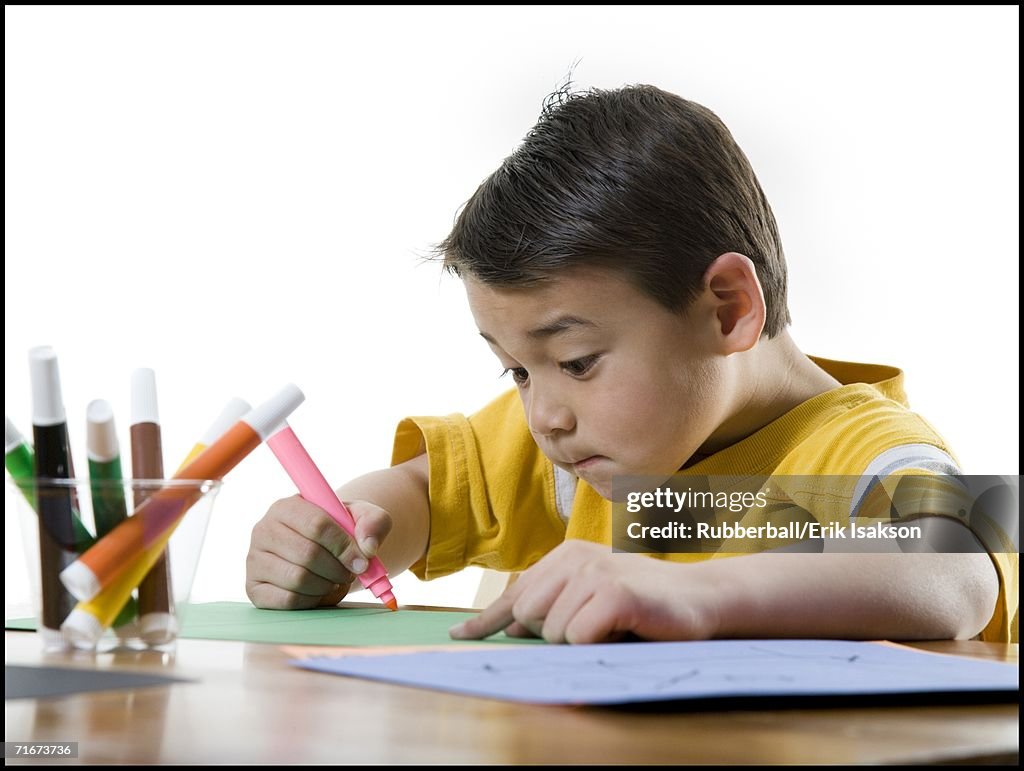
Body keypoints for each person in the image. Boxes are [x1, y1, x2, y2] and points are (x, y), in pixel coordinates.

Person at [245, 83, 1016, 644]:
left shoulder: (860, 449)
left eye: (576, 360)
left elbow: (958, 572)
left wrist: (696, 590)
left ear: (727, 308)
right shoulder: (593, 446)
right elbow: (421, 493)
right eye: (516, 370)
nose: (543, 414)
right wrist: (337, 537)